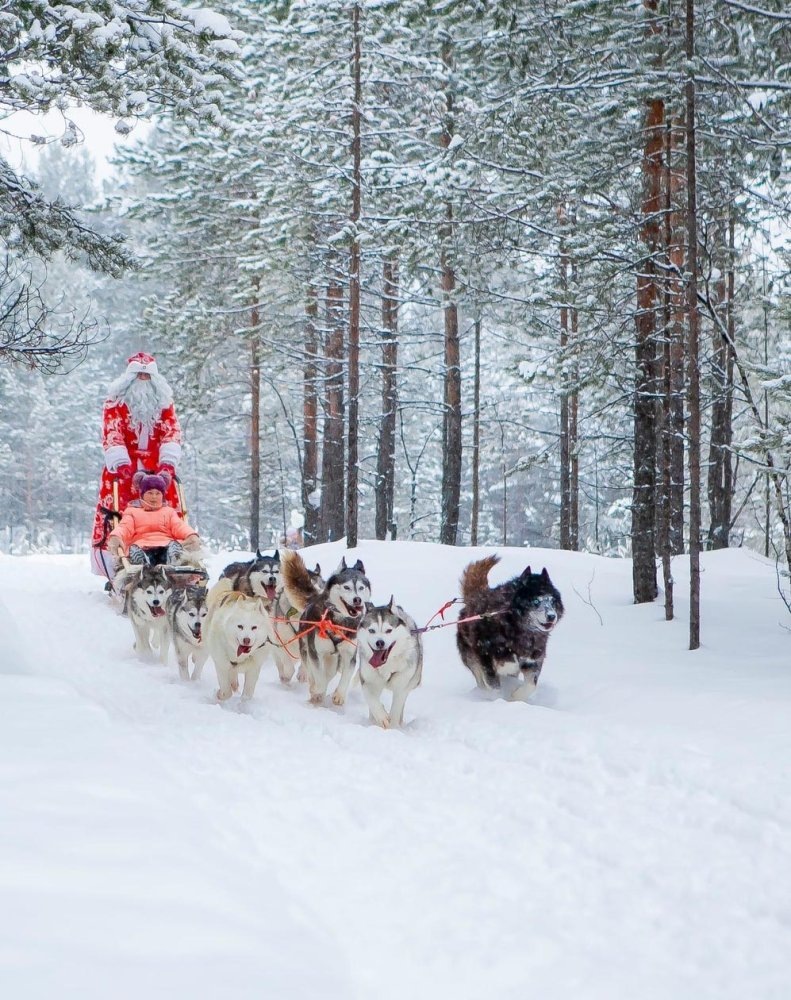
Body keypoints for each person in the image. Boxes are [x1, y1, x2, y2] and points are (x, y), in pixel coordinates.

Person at [91, 352, 184, 577]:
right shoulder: (115, 404)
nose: (143, 379)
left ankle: (170, 554)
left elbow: (171, 433)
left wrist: (167, 466)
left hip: (157, 470)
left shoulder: (164, 404)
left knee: (165, 512)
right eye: (139, 375)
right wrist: (122, 465)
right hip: (123, 471)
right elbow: (112, 434)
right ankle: (122, 559)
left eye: (147, 375)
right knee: (122, 514)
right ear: (129, 377)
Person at [107, 471, 201, 567]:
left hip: (166, 545)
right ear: (142, 494)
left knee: (173, 547)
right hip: (142, 545)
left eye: (158, 493)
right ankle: (141, 561)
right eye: (150, 493)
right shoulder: (132, 511)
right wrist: (116, 536)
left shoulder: (168, 511)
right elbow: (124, 527)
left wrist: (191, 535)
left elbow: (179, 526)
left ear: (162, 495)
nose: (154, 497)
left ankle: (173, 558)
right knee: (137, 550)